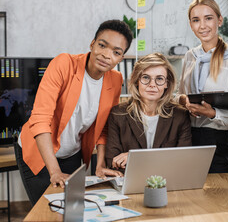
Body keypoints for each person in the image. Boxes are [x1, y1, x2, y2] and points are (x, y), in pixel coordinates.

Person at [14, 19, 133, 205]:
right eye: (102, 45)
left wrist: (100, 165)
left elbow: (103, 128)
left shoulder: (116, 80)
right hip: (39, 151)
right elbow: (40, 119)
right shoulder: (64, 64)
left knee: (71, 209)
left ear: (121, 58)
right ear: (92, 44)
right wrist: (54, 171)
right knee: (48, 210)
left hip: (72, 154)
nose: (106, 55)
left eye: (116, 52)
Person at [178, 0, 228, 173]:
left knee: (217, 196)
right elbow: (180, 94)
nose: (202, 26)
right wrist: (183, 100)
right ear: (191, 25)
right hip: (187, 138)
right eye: (196, 20)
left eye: (208, 18)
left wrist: (212, 113)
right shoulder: (189, 57)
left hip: (217, 141)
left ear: (219, 20)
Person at [105, 53, 192, 173]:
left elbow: (183, 159)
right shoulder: (118, 113)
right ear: (137, 81)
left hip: (167, 180)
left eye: (159, 79)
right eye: (146, 78)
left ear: (167, 83)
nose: (152, 84)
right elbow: (112, 160)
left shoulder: (180, 115)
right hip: (131, 180)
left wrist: (134, 157)